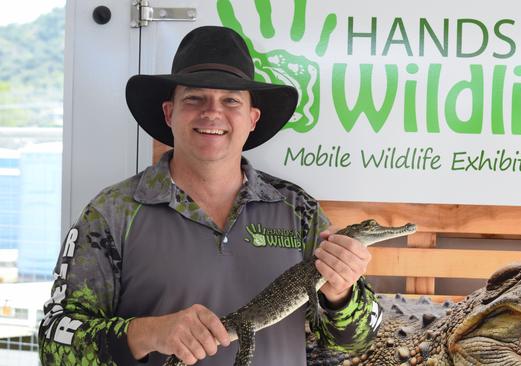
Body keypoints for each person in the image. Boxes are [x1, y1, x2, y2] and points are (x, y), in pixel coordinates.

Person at [38, 26, 381, 365]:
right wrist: (148, 333)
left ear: (252, 118)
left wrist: (341, 293)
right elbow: (54, 342)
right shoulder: (112, 213)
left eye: (230, 100)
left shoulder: (299, 209)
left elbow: (354, 344)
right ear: (170, 113)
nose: (212, 112)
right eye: (194, 98)